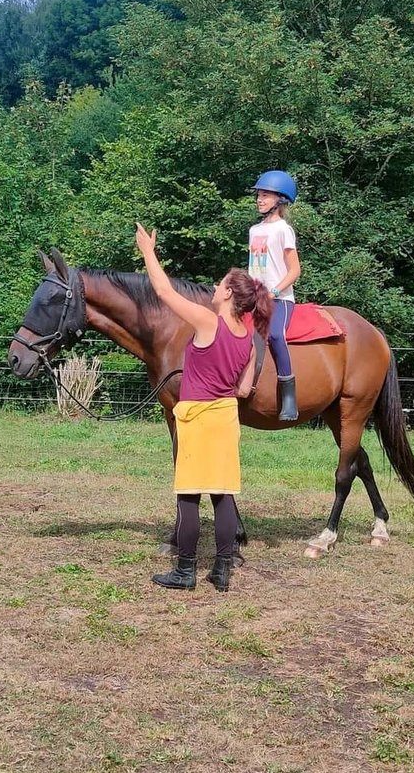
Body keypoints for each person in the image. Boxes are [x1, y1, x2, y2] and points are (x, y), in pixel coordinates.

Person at [135, 223, 273, 592]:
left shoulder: (208, 321)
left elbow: (163, 290)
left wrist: (148, 251)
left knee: (188, 495)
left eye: (219, 283)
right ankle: (223, 570)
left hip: (197, 416)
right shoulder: (248, 338)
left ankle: (185, 571)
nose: (214, 287)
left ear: (228, 293)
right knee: (223, 494)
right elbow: (245, 389)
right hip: (225, 417)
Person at [247, 170, 302, 421]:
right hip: (254, 297)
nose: (259, 199)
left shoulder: (283, 230)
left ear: (280, 199)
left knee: (277, 335)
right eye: (259, 194)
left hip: (280, 299)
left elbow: (295, 270)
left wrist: (274, 292)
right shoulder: (254, 230)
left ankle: (289, 397)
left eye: (265, 195)